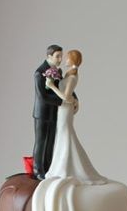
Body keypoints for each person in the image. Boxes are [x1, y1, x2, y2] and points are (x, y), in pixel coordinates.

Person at [44, 50, 105, 183]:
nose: (64, 60)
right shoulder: (69, 74)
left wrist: (51, 86)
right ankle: (60, 166)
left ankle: (68, 168)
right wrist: (75, 99)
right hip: (63, 108)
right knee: (63, 134)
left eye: (67, 58)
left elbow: (65, 97)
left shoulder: (72, 77)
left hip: (65, 109)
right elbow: (70, 95)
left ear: (72, 60)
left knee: (66, 134)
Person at [32, 44, 63, 180]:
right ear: (49, 56)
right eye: (57, 56)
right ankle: (38, 169)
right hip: (42, 113)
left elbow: (63, 87)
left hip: (53, 112)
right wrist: (62, 101)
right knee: (41, 141)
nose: (60, 59)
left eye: (61, 56)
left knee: (51, 141)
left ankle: (48, 167)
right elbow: (42, 96)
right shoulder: (39, 72)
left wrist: (74, 98)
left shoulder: (58, 71)